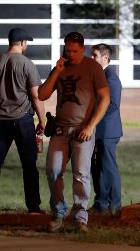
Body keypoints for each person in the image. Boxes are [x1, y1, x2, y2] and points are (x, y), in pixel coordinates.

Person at [39, 32, 110, 233]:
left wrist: (90, 126)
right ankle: (58, 212)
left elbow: (105, 98)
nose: (70, 54)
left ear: (83, 49)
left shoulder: (93, 67)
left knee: (81, 175)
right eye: (67, 50)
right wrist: (56, 71)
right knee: (53, 171)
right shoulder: (60, 67)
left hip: (83, 130)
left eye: (74, 51)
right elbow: (42, 95)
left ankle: (80, 218)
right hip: (60, 130)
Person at [0, 27, 46, 215]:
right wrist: (42, 120)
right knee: (29, 165)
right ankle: (33, 207)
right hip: (22, 120)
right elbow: (36, 96)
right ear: (23, 43)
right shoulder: (27, 64)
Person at [89, 43, 123, 218]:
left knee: (109, 168)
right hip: (97, 130)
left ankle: (115, 206)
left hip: (107, 131)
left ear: (105, 58)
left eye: (95, 55)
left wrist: (93, 118)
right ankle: (101, 204)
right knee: (97, 168)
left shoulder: (111, 78)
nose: (91, 58)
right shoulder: (98, 76)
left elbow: (113, 105)